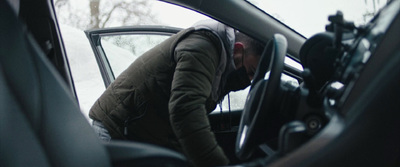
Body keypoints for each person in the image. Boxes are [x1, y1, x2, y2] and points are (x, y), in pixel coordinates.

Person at [89, 19, 264, 167]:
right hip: (116, 132)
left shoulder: (221, 59)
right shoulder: (203, 47)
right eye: (250, 71)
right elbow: (186, 109)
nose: (248, 80)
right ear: (239, 49)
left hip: (141, 133)